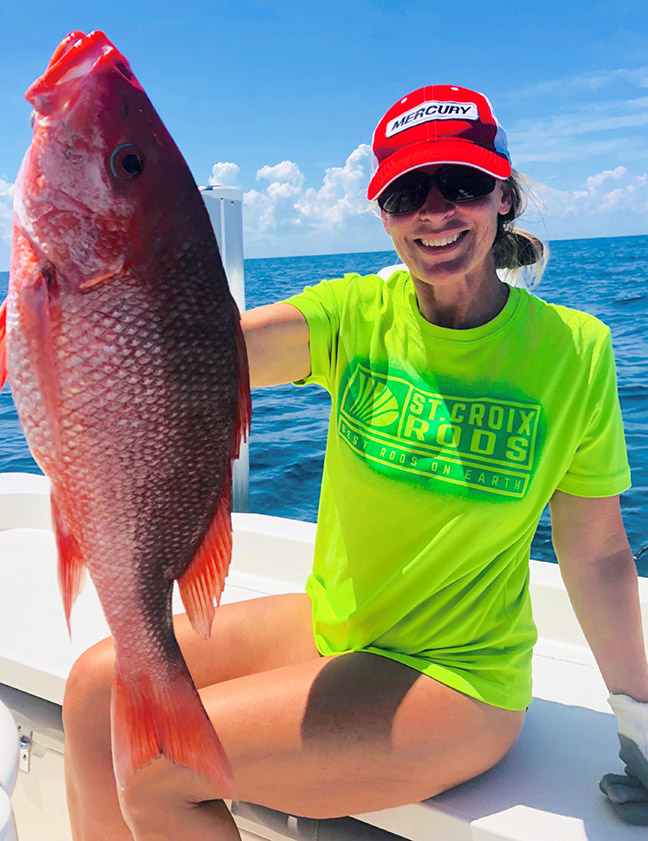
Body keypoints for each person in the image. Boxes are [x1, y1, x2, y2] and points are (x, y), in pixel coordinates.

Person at [62, 84, 648, 839]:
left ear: (504, 196)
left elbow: (599, 552)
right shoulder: (357, 315)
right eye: (407, 192)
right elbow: (209, 351)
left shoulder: (576, 351)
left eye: (462, 183)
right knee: (91, 690)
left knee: (160, 768)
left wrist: (636, 716)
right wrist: (75, 293)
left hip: (458, 677)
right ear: (382, 213)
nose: (435, 211)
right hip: (333, 626)